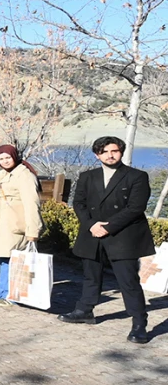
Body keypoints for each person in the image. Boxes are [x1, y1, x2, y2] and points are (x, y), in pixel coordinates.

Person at [62, 136, 154, 343]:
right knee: (90, 276)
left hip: (123, 235)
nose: (110, 155)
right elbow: (79, 203)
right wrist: (92, 225)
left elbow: (136, 207)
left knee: (128, 281)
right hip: (92, 233)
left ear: (121, 152)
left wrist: (109, 227)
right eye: (104, 152)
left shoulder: (136, 176)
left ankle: (139, 323)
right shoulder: (87, 176)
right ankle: (85, 310)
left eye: (114, 151)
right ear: (97, 155)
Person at [0, 144, 43, 305]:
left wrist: (33, 230)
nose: (5, 161)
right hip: (2, 222)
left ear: (14, 156)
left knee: (14, 258)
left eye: (7, 157)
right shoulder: (3, 173)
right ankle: (1, 291)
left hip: (16, 222)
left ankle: (12, 294)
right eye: (1, 158)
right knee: (4, 257)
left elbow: (32, 203)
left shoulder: (24, 175)